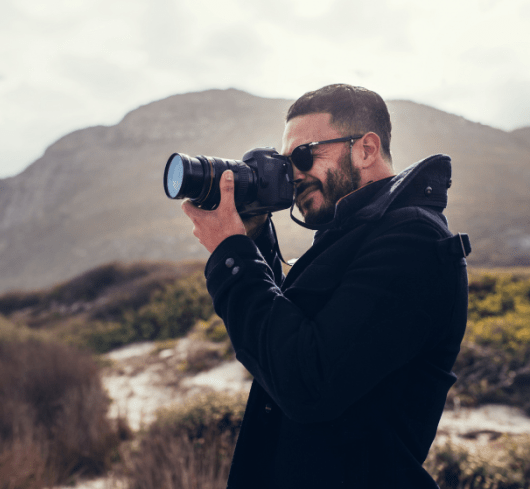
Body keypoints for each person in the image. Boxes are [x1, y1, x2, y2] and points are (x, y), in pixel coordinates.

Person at [181, 84, 470, 488]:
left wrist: (230, 254)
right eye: (285, 163)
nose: (293, 175)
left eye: (304, 155)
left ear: (366, 149)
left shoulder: (414, 242)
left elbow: (305, 379)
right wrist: (252, 237)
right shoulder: (354, 233)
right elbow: (294, 328)